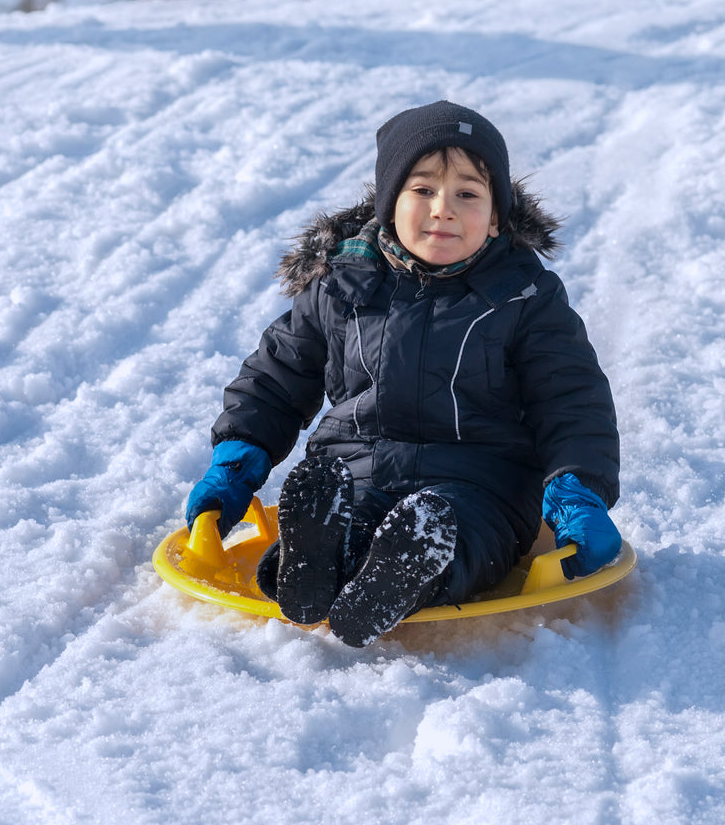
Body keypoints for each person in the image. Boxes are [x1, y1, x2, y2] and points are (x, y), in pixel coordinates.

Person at [185, 101, 620, 647]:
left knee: (455, 535)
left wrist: (579, 490)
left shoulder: (525, 296)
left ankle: (408, 570)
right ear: (390, 201)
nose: (444, 209)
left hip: (482, 483)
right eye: (423, 191)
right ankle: (310, 560)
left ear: (495, 217)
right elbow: (276, 377)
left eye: (467, 194)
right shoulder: (342, 284)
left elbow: (571, 400)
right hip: (355, 469)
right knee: (346, 518)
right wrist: (237, 459)